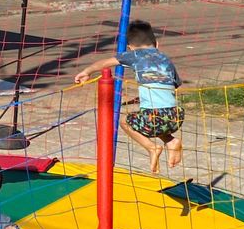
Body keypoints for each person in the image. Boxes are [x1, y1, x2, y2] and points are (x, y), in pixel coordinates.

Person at [73, 20, 184, 172]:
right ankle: (171, 141)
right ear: (157, 44)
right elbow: (176, 85)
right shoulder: (166, 59)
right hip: (176, 117)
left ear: (130, 48)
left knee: (125, 121)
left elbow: (105, 62)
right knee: (154, 120)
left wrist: (86, 72)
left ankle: (152, 148)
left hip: (154, 118)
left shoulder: (134, 55)